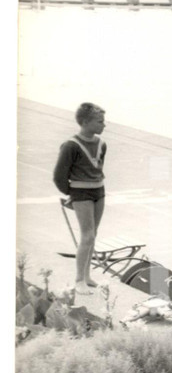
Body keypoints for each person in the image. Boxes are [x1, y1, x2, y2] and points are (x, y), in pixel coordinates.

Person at [53, 102, 107, 296]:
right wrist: (72, 195)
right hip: (81, 193)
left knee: (94, 234)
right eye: (100, 121)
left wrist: (95, 186)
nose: (104, 125)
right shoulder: (71, 146)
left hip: (98, 192)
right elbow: (59, 176)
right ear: (85, 122)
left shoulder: (101, 143)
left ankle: (87, 275)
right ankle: (78, 280)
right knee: (87, 235)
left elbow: (98, 167)